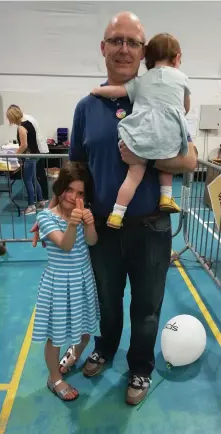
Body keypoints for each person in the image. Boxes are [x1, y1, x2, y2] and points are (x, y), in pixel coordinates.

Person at [31, 11, 197, 406]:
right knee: (105, 299)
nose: (124, 48)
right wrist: (51, 212)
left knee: (147, 307)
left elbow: (189, 160)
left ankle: (140, 368)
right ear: (103, 48)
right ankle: (103, 350)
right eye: (117, 40)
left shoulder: (161, 95)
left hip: (152, 228)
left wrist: (146, 159)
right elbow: (75, 170)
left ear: (143, 52)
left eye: (133, 42)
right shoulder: (88, 106)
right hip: (101, 229)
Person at [91, 32, 190, 229]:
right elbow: (185, 107)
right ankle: (166, 196)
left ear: (146, 57)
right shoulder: (181, 78)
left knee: (134, 174)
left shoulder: (142, 81)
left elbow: (118, 91)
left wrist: (97, 91)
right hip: (167, 135)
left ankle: (117, 214)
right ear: (177, 57)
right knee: (166, 158)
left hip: (140, 135)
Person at [32, 162, 99, 401]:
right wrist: (74, 222)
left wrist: (88, 223)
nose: (73, 197)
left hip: (82, 281)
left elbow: (91, 242)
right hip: (59, 286)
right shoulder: (46, 216)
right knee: (55, 336)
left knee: (85, 332)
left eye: (80, 193)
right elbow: (66, 245)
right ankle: (54, 378)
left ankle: (72, 356)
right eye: (69, 189)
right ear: (59, 188)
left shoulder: (82, 214)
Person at [6, 105, 45, 215]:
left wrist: (15, 154)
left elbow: (24, 145)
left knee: (28, 180)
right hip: (34, 155)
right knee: (33, 179)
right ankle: (41, 201)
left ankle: (31, 206)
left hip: (29, 157)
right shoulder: (28, 123)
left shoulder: (22, 127)